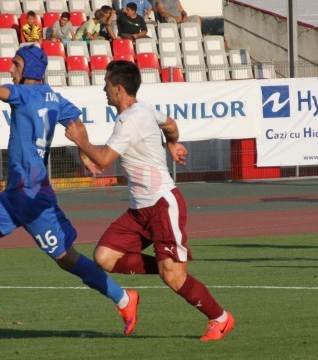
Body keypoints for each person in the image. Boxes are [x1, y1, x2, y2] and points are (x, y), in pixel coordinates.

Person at [0, 45, 139, 333]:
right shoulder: (55, 97)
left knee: (68, 259)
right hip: (15, 194)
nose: (10, 69)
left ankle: (125, 298)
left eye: (15, 64)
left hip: (33, 197)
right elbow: (75, 122)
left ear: (28, 70)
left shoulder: (23, 94)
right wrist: (83, 151)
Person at [64, 60, 234, 341]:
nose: (103, 90)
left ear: (119, 89)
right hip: (139, 210)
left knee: (173, 276)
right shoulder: (142, 109)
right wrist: (172, 143)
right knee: (104, 257)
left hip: (162, 204)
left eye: (106, 85)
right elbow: (170, 124)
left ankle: (220, 318)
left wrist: (80, 140)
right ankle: (170, 266)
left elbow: (104, 160)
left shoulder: (130, 120)